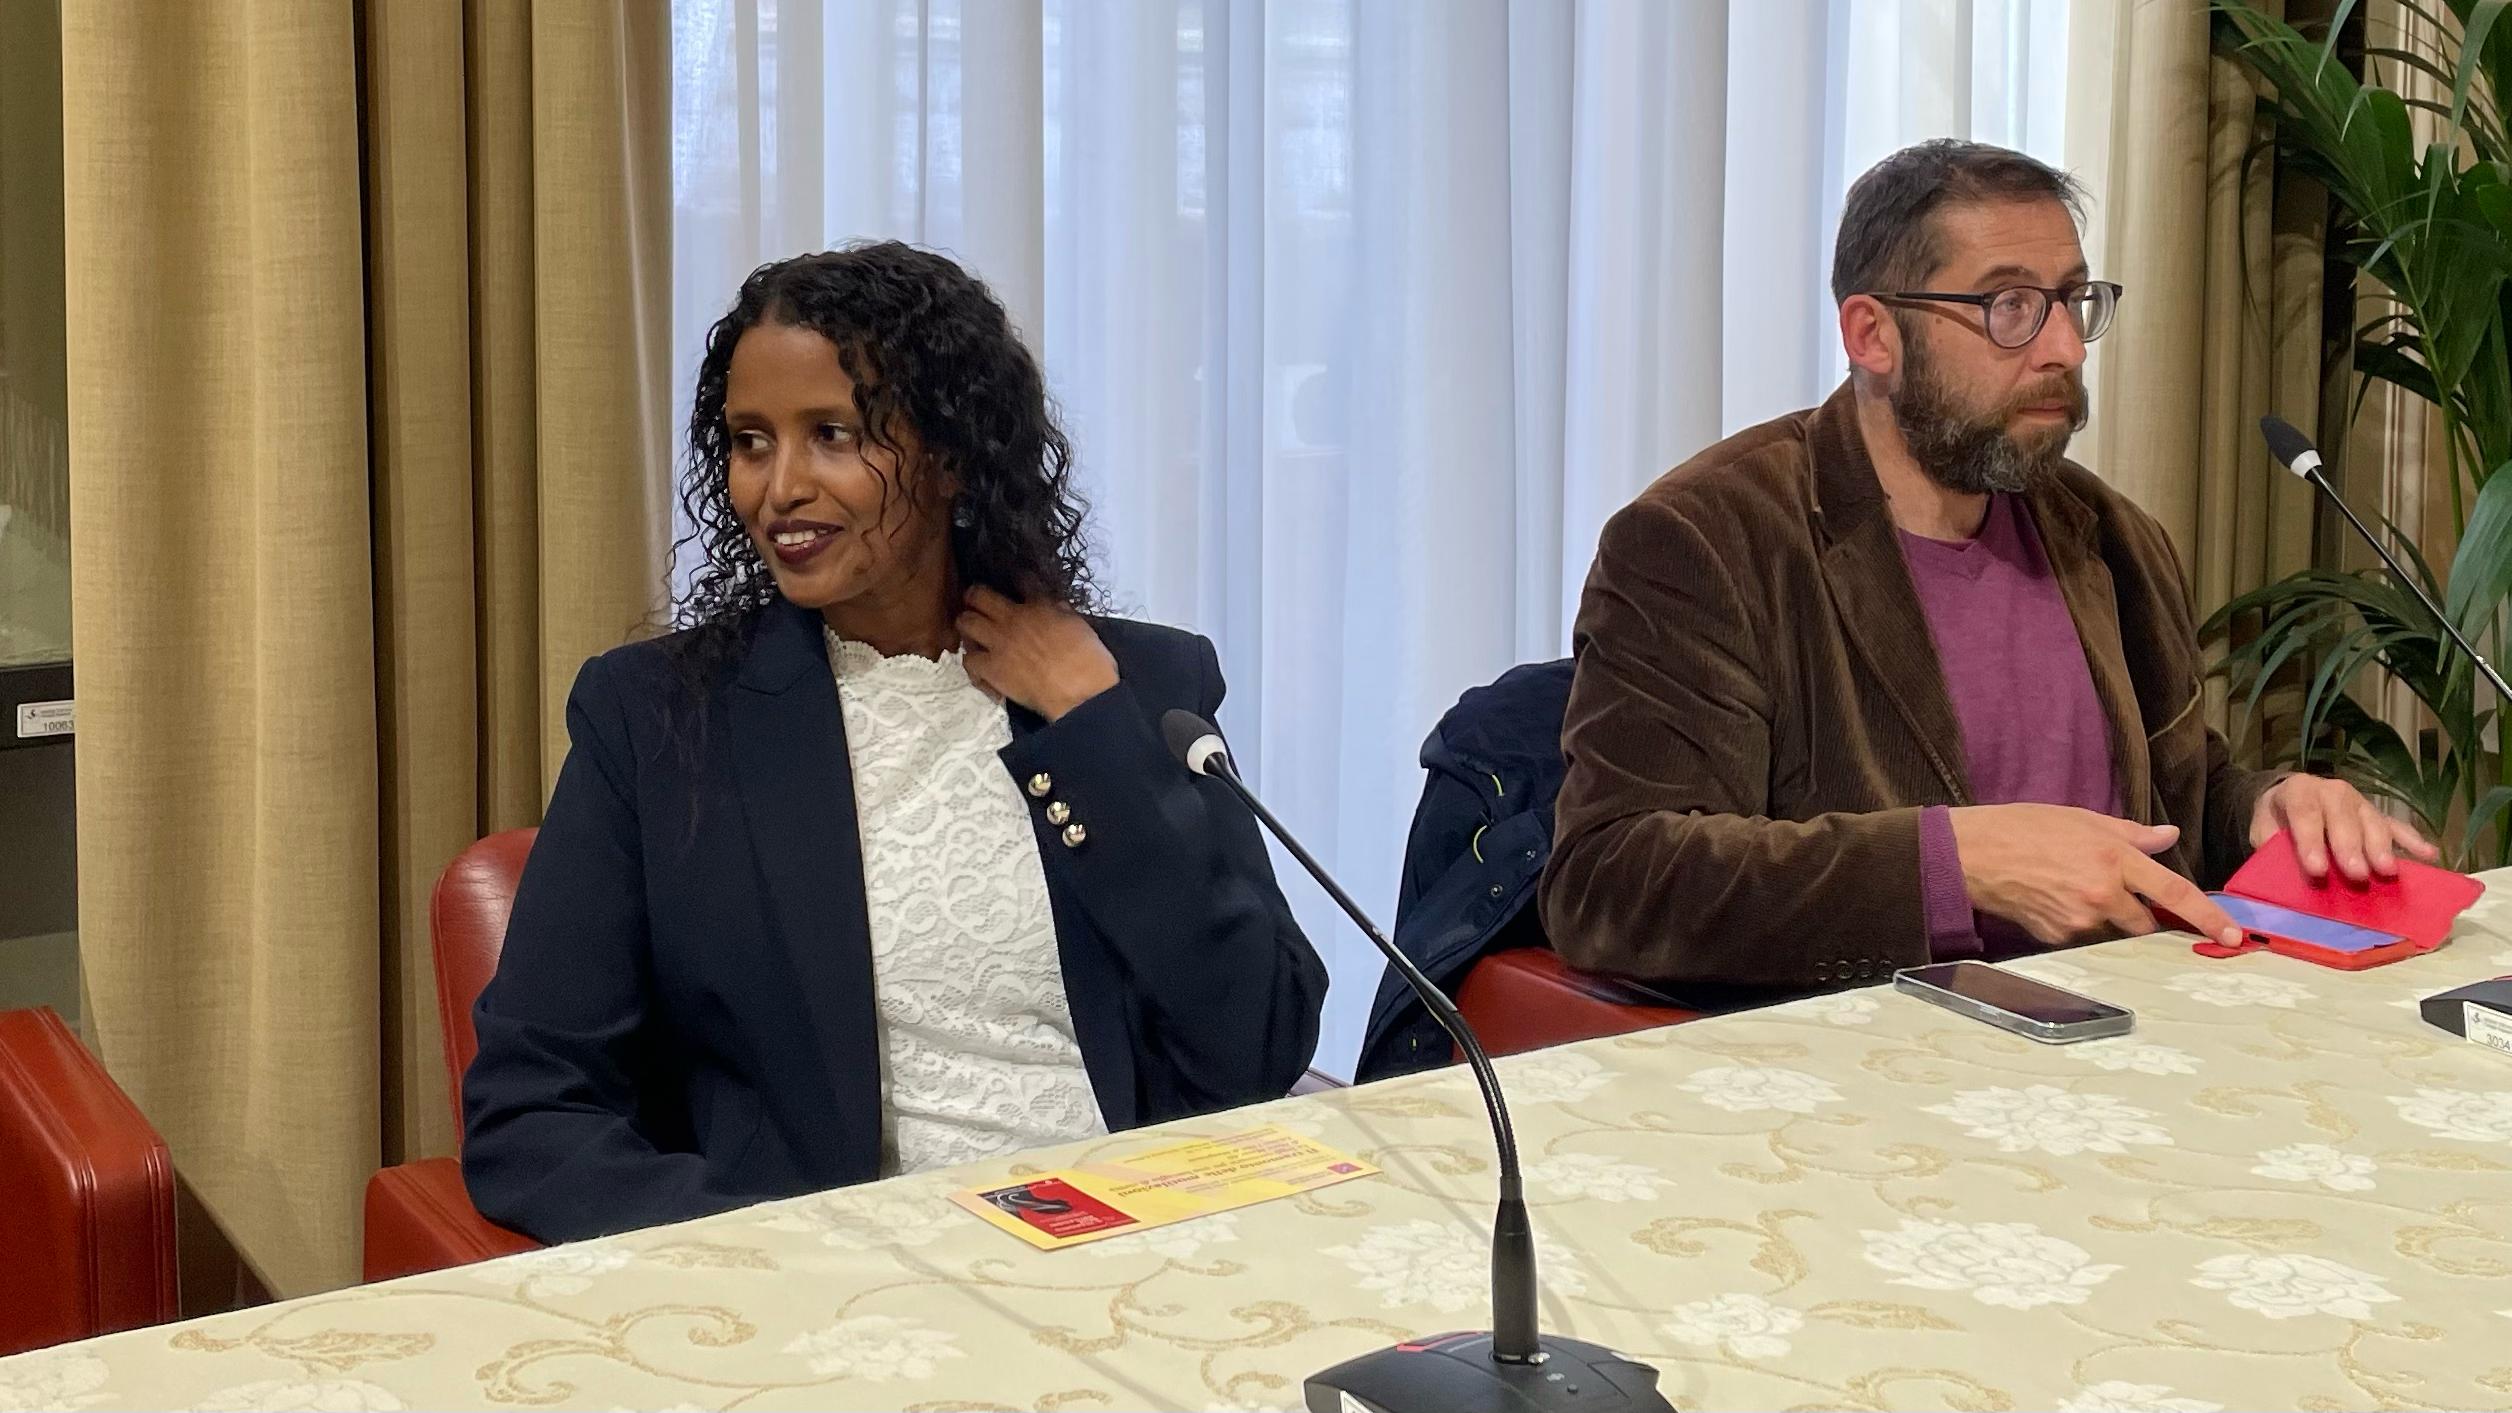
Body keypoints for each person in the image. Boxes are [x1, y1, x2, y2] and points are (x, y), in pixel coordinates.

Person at [462, 243, 1327, 1244]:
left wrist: (1094, 724)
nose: (779, 487)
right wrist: (783, 1252)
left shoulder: (1143, 682)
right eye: (750, 442)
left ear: (951, 455)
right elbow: (531, 1110)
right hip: (853, 1275)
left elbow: (1255, 1045)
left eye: (832, 435)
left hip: (1153, 1239)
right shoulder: (659, 718)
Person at [1541, 140, 2434, 997]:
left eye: (2073, 300)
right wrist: (1953, 864)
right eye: (2011, 306)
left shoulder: (2115, 537)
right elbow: (1612, 879)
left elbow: (2176, 805)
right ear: (1873, 334)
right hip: (1876, 1060)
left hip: (2135, 1035)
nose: (2065, 348)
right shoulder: (1706, 540)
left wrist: (2269, 813)